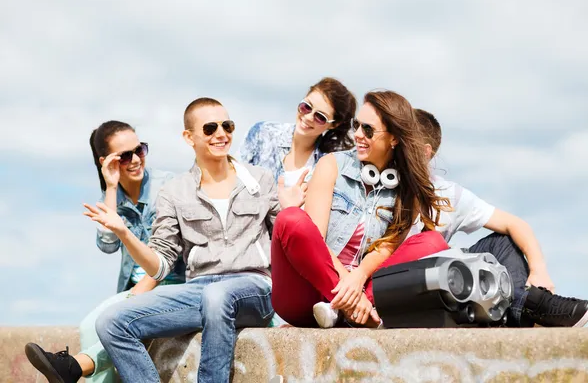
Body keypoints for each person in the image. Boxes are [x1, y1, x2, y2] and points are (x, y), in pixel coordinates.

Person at [84, 98, 304, 383]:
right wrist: (124, 234)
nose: (221, 134)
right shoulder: (174, 191)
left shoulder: (259, 180)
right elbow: (160, 266)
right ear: (189, 137)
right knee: (111, 322)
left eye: (227, 126)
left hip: (254, 288)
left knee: (217, 297)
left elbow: (288, 244)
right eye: (210, 128)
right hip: (199, 290)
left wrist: (292, 210)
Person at [270, 90, 453, 329]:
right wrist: (350, 291)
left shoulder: (407, 189)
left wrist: (358, 277)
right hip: (309, 294)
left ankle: (343, 311)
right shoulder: (331, 165)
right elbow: (317, 241)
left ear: (394, 138)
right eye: (357, 125)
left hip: (359, 291)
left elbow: (387, 247)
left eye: (368, 129)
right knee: (290, 218)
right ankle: (351, 310)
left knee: (432, 240)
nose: (357, 134)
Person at [24, 121, 185, 382]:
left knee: (113, 323)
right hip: (133, 290)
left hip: (169, 284)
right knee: (90, 325)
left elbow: (171, 251)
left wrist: (138, 294)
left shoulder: (167, 187)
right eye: (124, 156)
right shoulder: (113, 196)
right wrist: (111, 187)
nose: (135, 160)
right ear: (106, 161)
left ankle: (74, 367)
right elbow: (108, 245)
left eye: (140, 150)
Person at [411, 108, 588, 327]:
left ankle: (522, 307)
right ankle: (529, 307)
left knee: (504, 242)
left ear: (425, 152)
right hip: (403, 284)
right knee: (438, 253)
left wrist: (539, 271)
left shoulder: (448, 194)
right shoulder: (380, 183)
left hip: (441, 283)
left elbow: (515, 224)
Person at [238, 77, 356, 186]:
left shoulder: (329, 165)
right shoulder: (261, 133)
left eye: (320, 117)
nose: (309, 117)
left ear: (334, 124)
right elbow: (232, 178)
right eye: (306, 107)